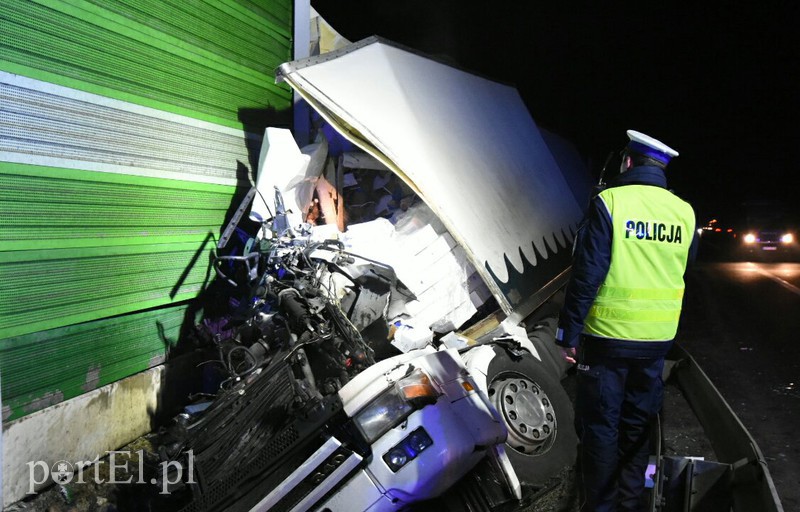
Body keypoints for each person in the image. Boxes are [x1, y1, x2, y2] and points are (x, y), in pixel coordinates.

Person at [555, 130, 699, 511]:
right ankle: (631, 502)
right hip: (657, 339)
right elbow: (684, 269)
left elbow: (587, 274)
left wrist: (568, 331)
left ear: (628, 162)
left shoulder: (611, 202)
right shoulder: (684, 212)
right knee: (637, 425)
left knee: (601, 427)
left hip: (607, 339)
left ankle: (600, 507)